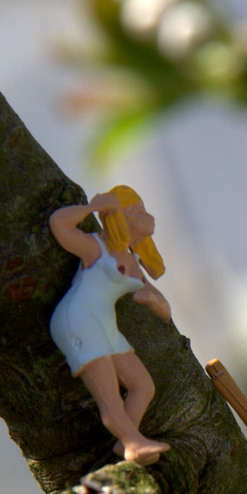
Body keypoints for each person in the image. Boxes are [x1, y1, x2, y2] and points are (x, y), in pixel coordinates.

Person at [48, 185, 172, 466]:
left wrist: (152, 299)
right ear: (122, 217)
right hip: (78, 319)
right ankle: (133, 443)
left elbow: (165, 311)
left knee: (142, 385)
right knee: (109, 395)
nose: (149, 216)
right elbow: (59, 224)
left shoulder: (133, 262)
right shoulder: (97, 247)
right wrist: (93, 207)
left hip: (104, 323)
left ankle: (125, 442)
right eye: (138, 211)